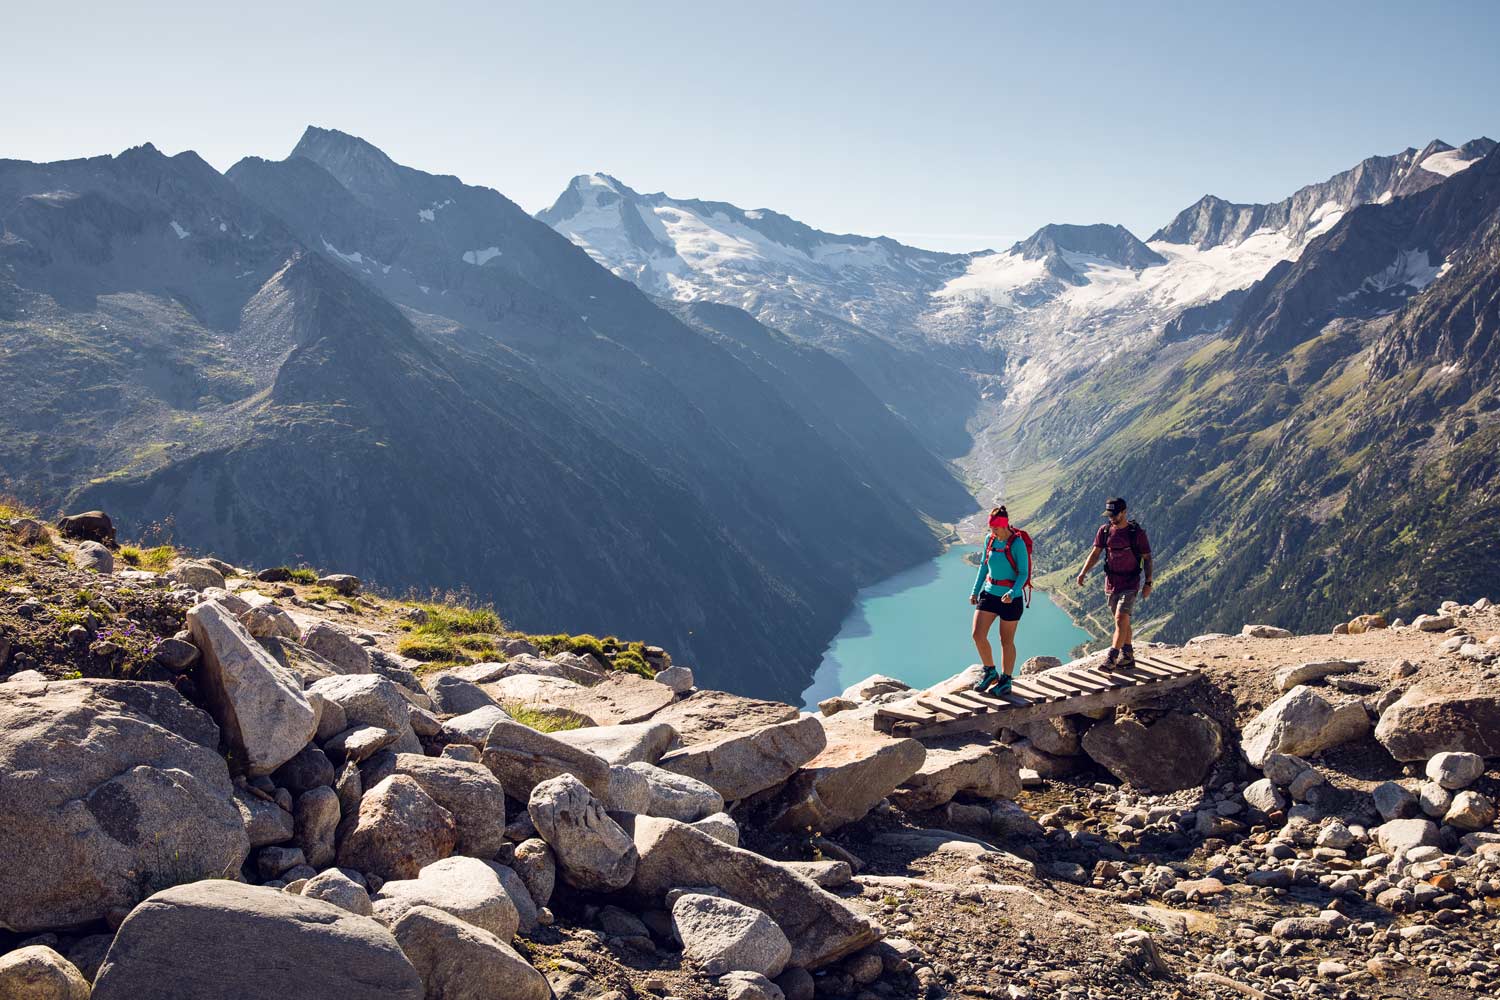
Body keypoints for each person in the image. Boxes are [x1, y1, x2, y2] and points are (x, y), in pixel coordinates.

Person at [1075, 497, 1152, 669]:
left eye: (1115, 515)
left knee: (1120, 618)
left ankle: (1111, 658)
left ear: (1124, 512)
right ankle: (1128, 656)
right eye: (1109, 515)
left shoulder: (1136, 534)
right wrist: (1083, 572)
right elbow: (1095, 554)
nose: (1111, 518)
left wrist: (1148, 582)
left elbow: (1147, 558)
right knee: (1122, 622)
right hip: (1111, 583)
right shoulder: (1104, 531)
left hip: (1130, 582)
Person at [970, 506, 1028, 695]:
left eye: (995, 528)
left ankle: (1006, 681)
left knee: (1006, 641)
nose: (992, 531)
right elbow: (983, 566)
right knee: (977, 635)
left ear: (1004, 525)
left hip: (1011, 599)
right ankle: (990, 672)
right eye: (991, 528)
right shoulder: (990, 540)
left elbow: (1024, 573)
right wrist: (975, 591)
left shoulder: (1017, 544)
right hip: (989, 594)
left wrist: (1012, 592)